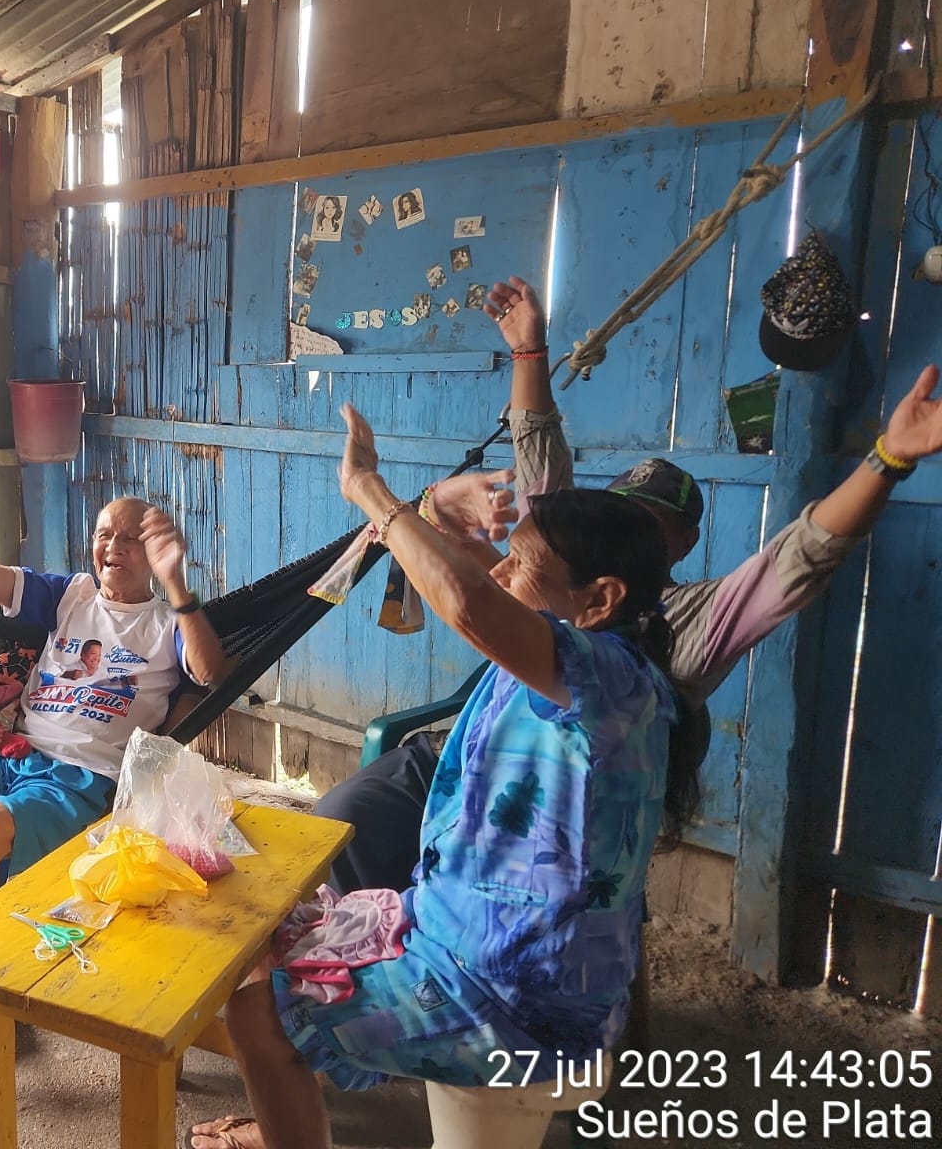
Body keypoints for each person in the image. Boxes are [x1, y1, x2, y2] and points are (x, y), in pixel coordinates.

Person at [316, 274, 942, 896]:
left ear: (616, 589)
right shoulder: (552, 566)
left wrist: (888, 458)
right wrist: (528, 353)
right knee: (336, 837)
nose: (627, 526)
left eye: (651, 523)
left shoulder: (649, 645)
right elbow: (537, 461)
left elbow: (801, 555)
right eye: (618, 510)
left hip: (541, 817)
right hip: (468, 758)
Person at [189, 406, 705, 1149]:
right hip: (477, 949)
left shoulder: (609, 681)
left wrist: (367, 487)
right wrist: (435, 505)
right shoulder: (573, 658)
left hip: (515, 999)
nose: (500, 573)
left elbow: (468, 601)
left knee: (257, 1014)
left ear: (601, 599)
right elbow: (467, 578)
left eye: (520, 565)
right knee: (273, 932)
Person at [0, 443, 227, 921]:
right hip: (16, 752)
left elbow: (209, 672)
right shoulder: (71, 595)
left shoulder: (167, 623)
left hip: (84, 776)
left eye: (130, 538)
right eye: (104, 535)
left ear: (155, 553)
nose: (113, 546)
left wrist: (176, 582)